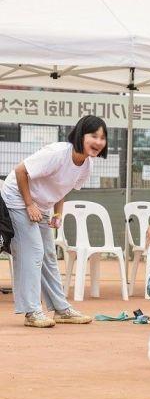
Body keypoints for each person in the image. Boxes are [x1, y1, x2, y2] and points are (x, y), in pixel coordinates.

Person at [0, 115, 106, 327]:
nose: (99, 142)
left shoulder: (87, 165)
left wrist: (58, 213)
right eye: (94, 136)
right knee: (33, 251)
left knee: (48, 254)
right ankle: (32, 312)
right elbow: (21, 171)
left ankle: (61, 309)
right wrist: (29, 204)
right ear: (80, 135)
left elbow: (61, 189)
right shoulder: (58, 153)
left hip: (41, 205)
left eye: (103, 138)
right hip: (17, 198)